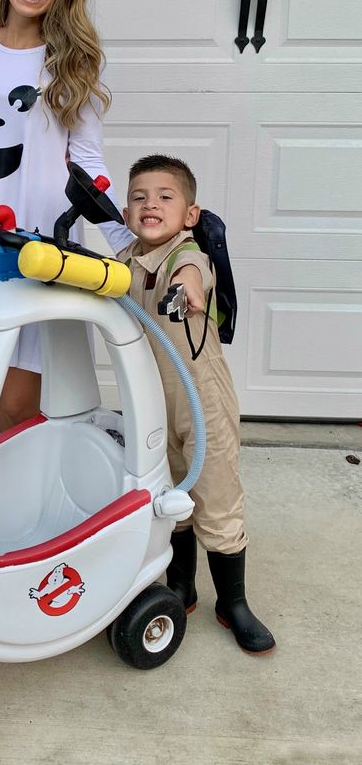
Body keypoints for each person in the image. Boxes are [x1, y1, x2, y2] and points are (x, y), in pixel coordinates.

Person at [0, 0, 134, 429]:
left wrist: (127, 240)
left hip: (40, 241)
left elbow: (88, 163)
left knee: (16, 392)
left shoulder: (71, 63)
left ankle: (17, 493)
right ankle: (13, 485)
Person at [117, 153, 275, 654]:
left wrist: (184, 297)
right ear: (126, 212)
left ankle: (234, 603)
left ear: (189, 214)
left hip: (199, 401)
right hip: (148, 402)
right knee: (169, 496)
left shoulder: (188, 255)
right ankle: (181, 584)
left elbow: (192, 281)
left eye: (165, 196)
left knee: (216, 495)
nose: (150, 204)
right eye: (139, 197)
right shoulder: (123, 262)